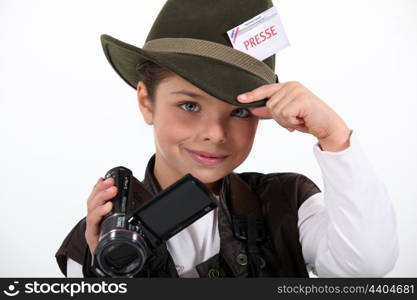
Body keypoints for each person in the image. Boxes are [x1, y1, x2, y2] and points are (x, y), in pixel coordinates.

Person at [56, 0, 399, 278]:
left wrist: (334, 136)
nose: (215, 134)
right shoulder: (94, 239)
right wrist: (108, 270)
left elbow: (366, 265)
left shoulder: (286, 202)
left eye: (238, 111)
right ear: (147, 102)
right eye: (189, 105)